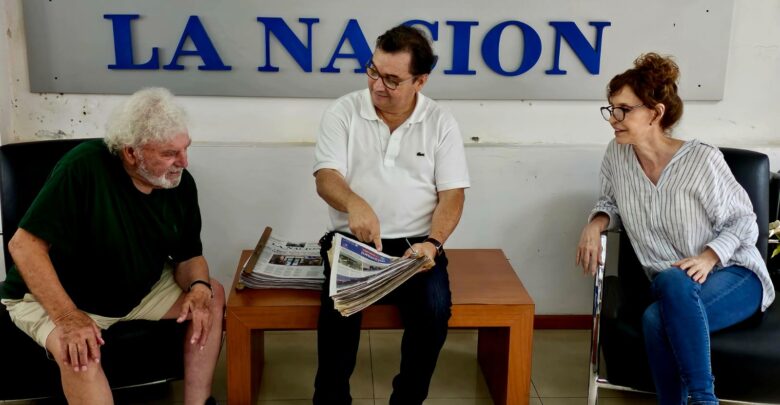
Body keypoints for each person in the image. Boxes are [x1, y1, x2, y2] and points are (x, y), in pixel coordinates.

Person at [0, 88, 225, 405]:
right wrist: (68, 318)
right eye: (169, 154)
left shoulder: (178, 184)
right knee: (79, 351)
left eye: (185, 149)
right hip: (61, 296)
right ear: (131, 153)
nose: (183, 162)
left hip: (136, 288)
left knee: (211, 297)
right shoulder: (82, 168)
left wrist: (199, 287)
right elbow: (23, 246)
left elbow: (189, 257)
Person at [576, 53, 775, 405]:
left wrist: (709, 257)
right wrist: (596, 222)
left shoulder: (702, 160)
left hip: (735, 275)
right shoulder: (617, 156)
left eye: (624, 109)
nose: (613, 119)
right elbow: (610, 201)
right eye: (611, 109)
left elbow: (745, 221)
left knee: (667, 287)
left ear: (655, 113)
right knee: (657, 314)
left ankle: (703, 398)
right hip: (675, 288)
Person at [311, 24, 470, 405]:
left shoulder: (440, 122)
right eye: (373, 71)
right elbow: (325, 178)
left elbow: (452, 196)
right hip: (353, 241)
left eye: (392, 79)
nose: (378, 86)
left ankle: (407, 400)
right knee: (339, 312)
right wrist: (354, 203)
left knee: (434, 311)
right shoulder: (344, 111)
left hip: (416, 248)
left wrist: (433, 244)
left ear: (420, 80)